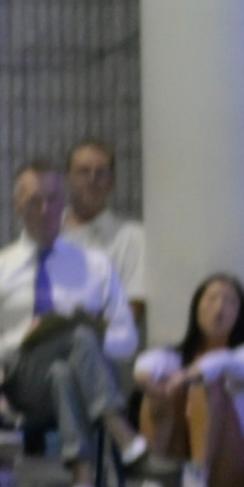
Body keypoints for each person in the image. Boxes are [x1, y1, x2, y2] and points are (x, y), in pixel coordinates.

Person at [0, 156, 151, 487]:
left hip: (77, 383)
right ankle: (124, 437)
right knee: (76, 334)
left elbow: (127, 339)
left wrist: (88, 346)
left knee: (69, 362)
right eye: (35, 200)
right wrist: (25, 336)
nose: (46, 209)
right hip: (20, 382)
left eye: (53, 198)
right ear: (18, 204)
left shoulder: (95, 264)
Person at [131, 271, 244, 487]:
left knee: (206, 382)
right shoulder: (176, 358)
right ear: (196, 308)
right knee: (159, 388)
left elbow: (217, 363)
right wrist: (154, 384)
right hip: (176, 467)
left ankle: (198, 481)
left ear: (240, 313)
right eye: (212, 299)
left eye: (230, 302)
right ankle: (153, 485)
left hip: (227, 472)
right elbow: (146, 364)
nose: (220, 308)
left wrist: (185, 377)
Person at [64, 137, 151, 344]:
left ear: (112, 181)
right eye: (84, 171)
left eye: (101, 172)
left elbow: (134, 309)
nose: (92, 179)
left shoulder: (132, 237)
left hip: (102, 349)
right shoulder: (49, 234)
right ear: (68, 178)